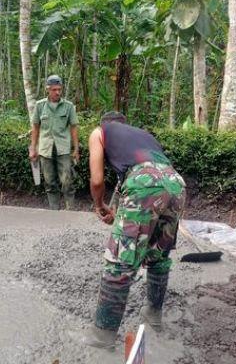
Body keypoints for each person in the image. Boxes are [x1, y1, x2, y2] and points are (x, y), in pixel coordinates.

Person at [74, 111, 186, 349]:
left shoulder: (100, 132)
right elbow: (129, 179)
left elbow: (97, 180)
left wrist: (99, 205)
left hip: (144, 183)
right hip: (175, 184)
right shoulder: (141, 136)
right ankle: (153, 315)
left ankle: (102, 336)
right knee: (158, 255)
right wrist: (117, 209)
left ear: (104, 124)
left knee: (120, 261)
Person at [29, 75, 79, 210]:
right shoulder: (40, 106)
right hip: (46, 149)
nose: (57, 92)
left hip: (63, 148)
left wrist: (76, 149)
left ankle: (70, 210)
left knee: (67, 181)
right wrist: (33, 148)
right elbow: (35, 128)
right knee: (50, 182)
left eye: (59, 89)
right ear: (48, 89)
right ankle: (54, 211)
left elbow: (74, 127)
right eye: (54, 90)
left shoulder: (68, 106)